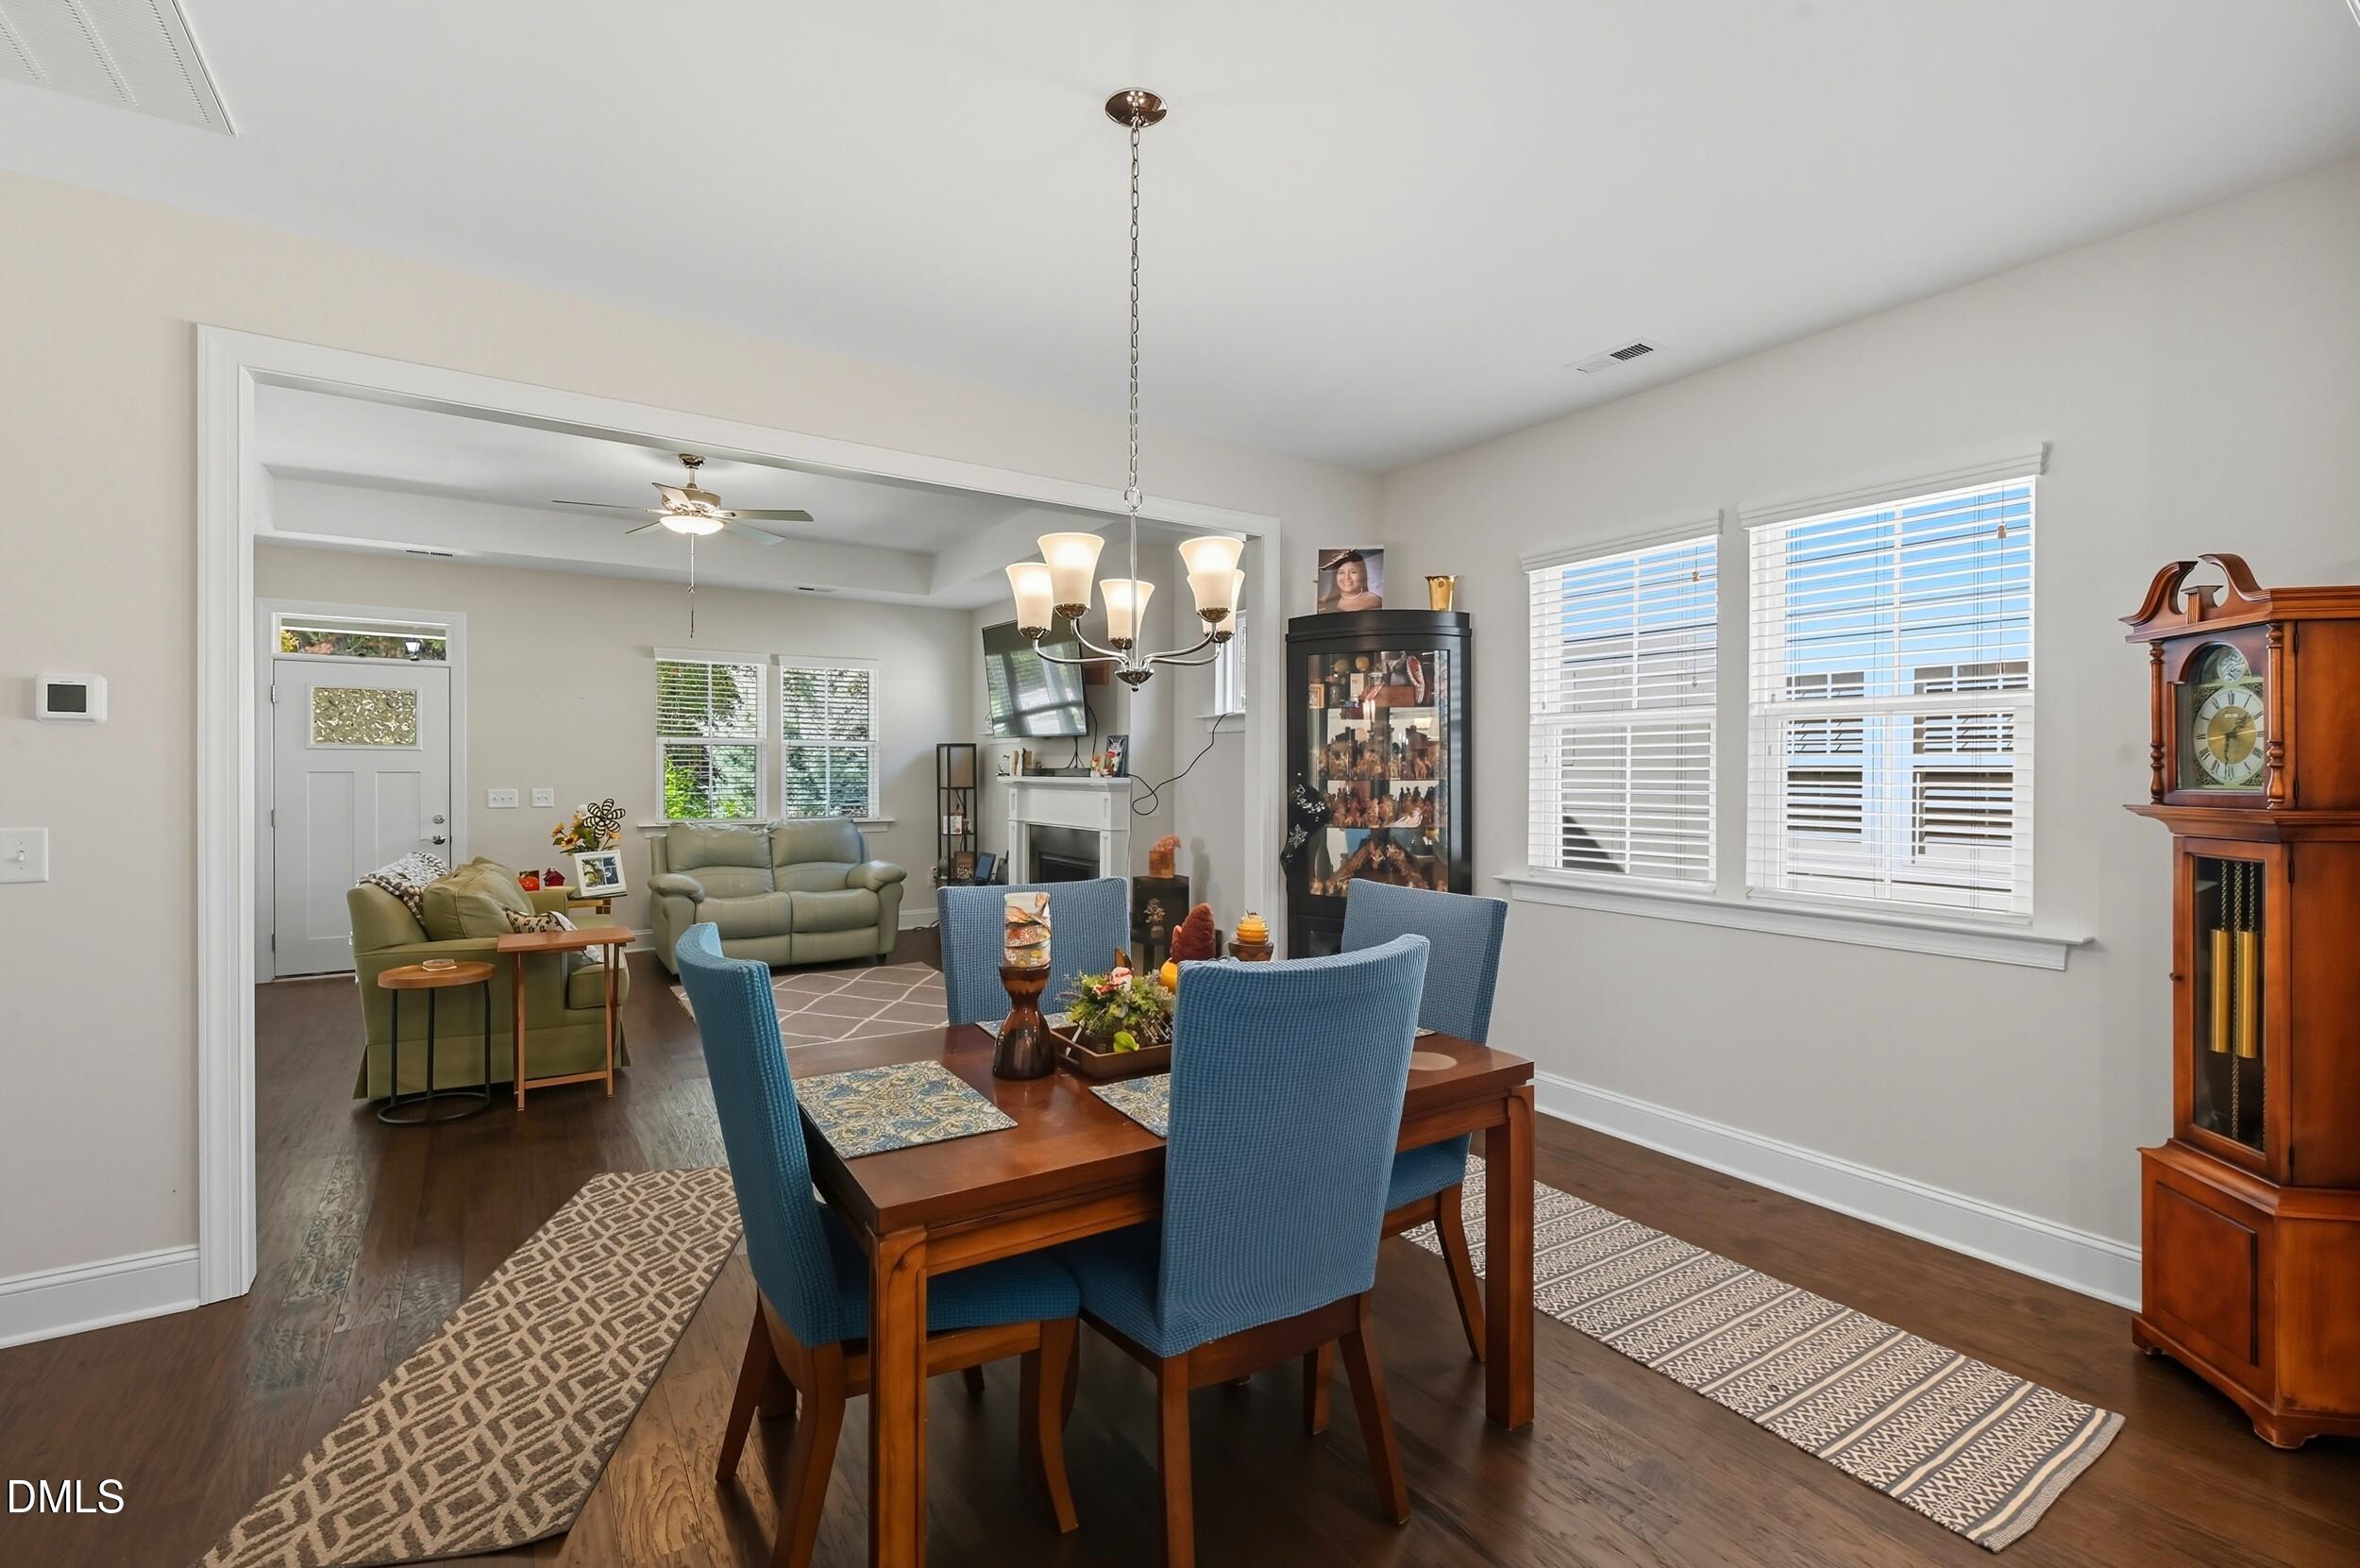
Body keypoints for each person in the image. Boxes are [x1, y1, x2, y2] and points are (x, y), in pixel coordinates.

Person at [1319, 550, 1383, 613]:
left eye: (1353, 572)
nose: (1347, 577)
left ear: (1362, 574)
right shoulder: (1324, 601)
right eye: (1341, 572)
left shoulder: (1375, 601)